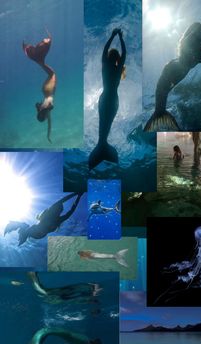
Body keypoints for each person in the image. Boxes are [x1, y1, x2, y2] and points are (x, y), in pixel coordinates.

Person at [144, 0, 201, 132]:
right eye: (198, 29)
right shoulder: (188, 39)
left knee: (164, 93)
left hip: (181, 71)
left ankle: (159, 113)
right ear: (193, 31)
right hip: (174, 68)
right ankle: (159, 113)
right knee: (162, 92)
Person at [88, 28, 126, 170]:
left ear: (112, 57)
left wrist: (113, 36)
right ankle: (102, 147)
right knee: (106, 124)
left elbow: (106, 50)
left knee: (104, 124)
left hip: (105, 99)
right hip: (113, 100)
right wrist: (119, 37)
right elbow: (123, 54)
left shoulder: (108, 66)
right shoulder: (115, 68)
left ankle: (101, 147)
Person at [4, 193, 83, 245]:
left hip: (39, 232)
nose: (58, 210)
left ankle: (19, 231)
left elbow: (70, 210)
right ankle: (18, 230)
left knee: (26, 226)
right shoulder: (52, 215)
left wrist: (77, 195)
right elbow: (68, 207)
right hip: (38, 231)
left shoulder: (56, 219)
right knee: (25, 226)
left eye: (59, 209)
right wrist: (77, 195)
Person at [23, 31, 56, 142]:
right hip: (44, 90)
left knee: (52, 73)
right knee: (50, 73)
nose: (47, 119)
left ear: (44, 116)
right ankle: (38, 59)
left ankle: (38, 59)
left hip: (49, 91)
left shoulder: (47, 110)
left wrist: (49, 107)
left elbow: (49, 125)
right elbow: (49, 126)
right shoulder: (42, 110)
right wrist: (48, 136)